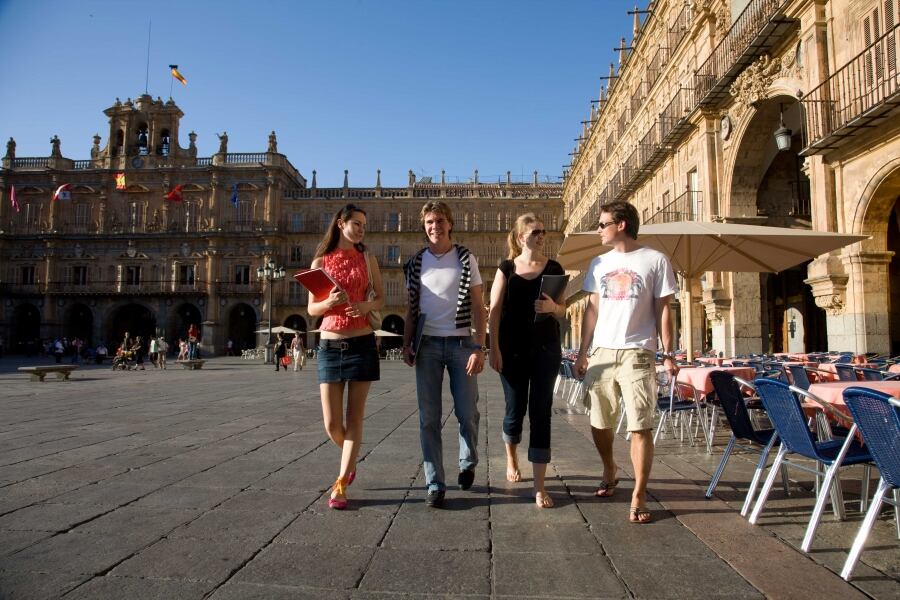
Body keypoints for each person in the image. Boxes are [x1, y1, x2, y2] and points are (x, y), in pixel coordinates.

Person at [574, 201, 678, 524]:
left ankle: (640, 493)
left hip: (638, 352)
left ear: (621, 225)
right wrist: (582, 350)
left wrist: (669, 352)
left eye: (602, 223)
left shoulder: (656, 260)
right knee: (599, 422)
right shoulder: (598, 263)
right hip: (603, 352)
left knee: (640, 425)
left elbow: (664, 309)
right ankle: (609, 466)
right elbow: (592, 309)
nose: (598, 229)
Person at [402, 200, 486, 508]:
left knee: (468, 412)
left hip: (462, 344)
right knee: (428, 418)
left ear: (449, 223)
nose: (434, 226)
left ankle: (468, 460)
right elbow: (411, 310)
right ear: (424, 227)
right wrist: (407, 342)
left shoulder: (465, 258)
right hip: (427, 346)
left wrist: (479, 346)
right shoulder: (415, 263)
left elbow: (478, 306)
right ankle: (435, 481)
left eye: (439, 220)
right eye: (429, 222)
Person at [308, 204, 384, 510]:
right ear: (341, 224)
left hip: (362, 342)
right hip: (330, 345)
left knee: (355, 417)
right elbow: (312, 309)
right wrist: (328, 302)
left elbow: (380, 297)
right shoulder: (320, 261)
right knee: (331, 423)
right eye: (356, 223)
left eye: (364, 224)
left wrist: (366, 307)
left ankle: (340, 483)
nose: (362, 228)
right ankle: (350, 460)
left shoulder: (368, 258)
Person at [488, 213, 566, 508]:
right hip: (512, 349)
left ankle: (539, 486)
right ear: (521, 237)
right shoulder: (507, 268)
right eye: (535, 232)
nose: (541, 236)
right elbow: (494, 309)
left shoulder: (555, 267)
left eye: (543, 231)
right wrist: (493, 347)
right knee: (515, 409)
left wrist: (552, 306)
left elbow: (563, 309)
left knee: (541, 412)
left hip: (546, 348)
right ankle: (511, 457)